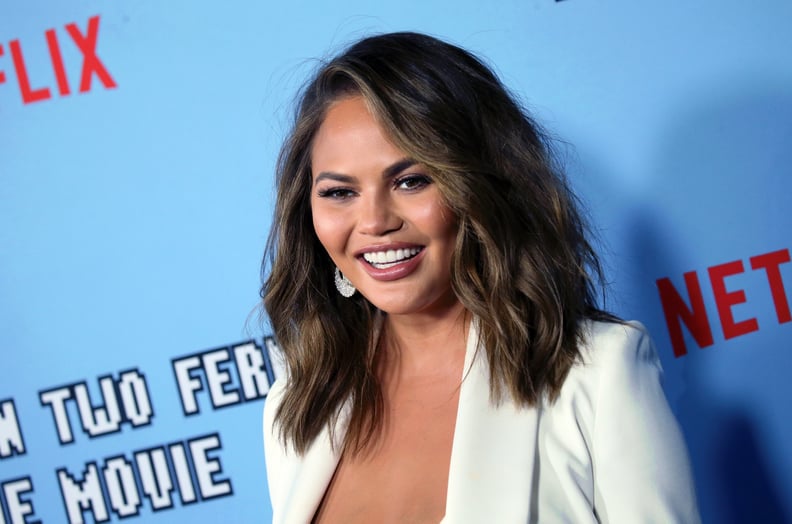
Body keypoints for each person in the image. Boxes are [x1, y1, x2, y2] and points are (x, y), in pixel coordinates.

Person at [261, 32, 700, 523]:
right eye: (340, 192)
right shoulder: (301, 399)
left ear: (479, 185)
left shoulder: (596, 374)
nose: (374, 221)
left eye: (411, 181)